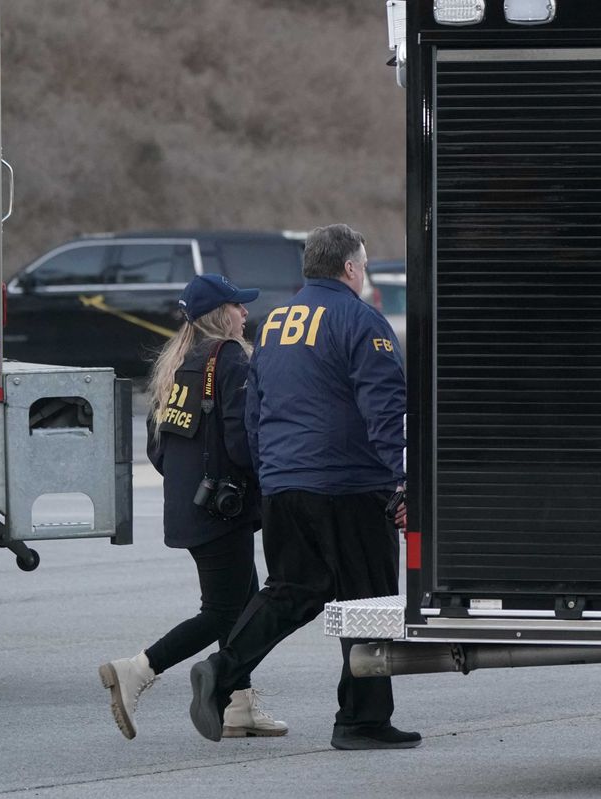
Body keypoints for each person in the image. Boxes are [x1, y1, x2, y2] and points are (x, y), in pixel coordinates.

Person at [187, 223, 419, 750]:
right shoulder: (361, 320)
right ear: (351, 267)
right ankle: (362, 721)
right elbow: (386, 410)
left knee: (293, 590)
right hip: (350, 484)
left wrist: (270, 474)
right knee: (371, 601)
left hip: (286, 483)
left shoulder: (273, 324)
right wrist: (405, 479)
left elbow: (255, 408)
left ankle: (223, 670)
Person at [99, 274, 287, 741]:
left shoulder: (175, 362)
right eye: (239, 307)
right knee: (224, 611)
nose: (246, 314)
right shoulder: (230, 361)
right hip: (223, 509)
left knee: (243, 601)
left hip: (190, 504)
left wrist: (191, 483)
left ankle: (238, 706)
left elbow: (159, 447)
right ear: (221, 314)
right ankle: (138, 669)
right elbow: (244, 444)